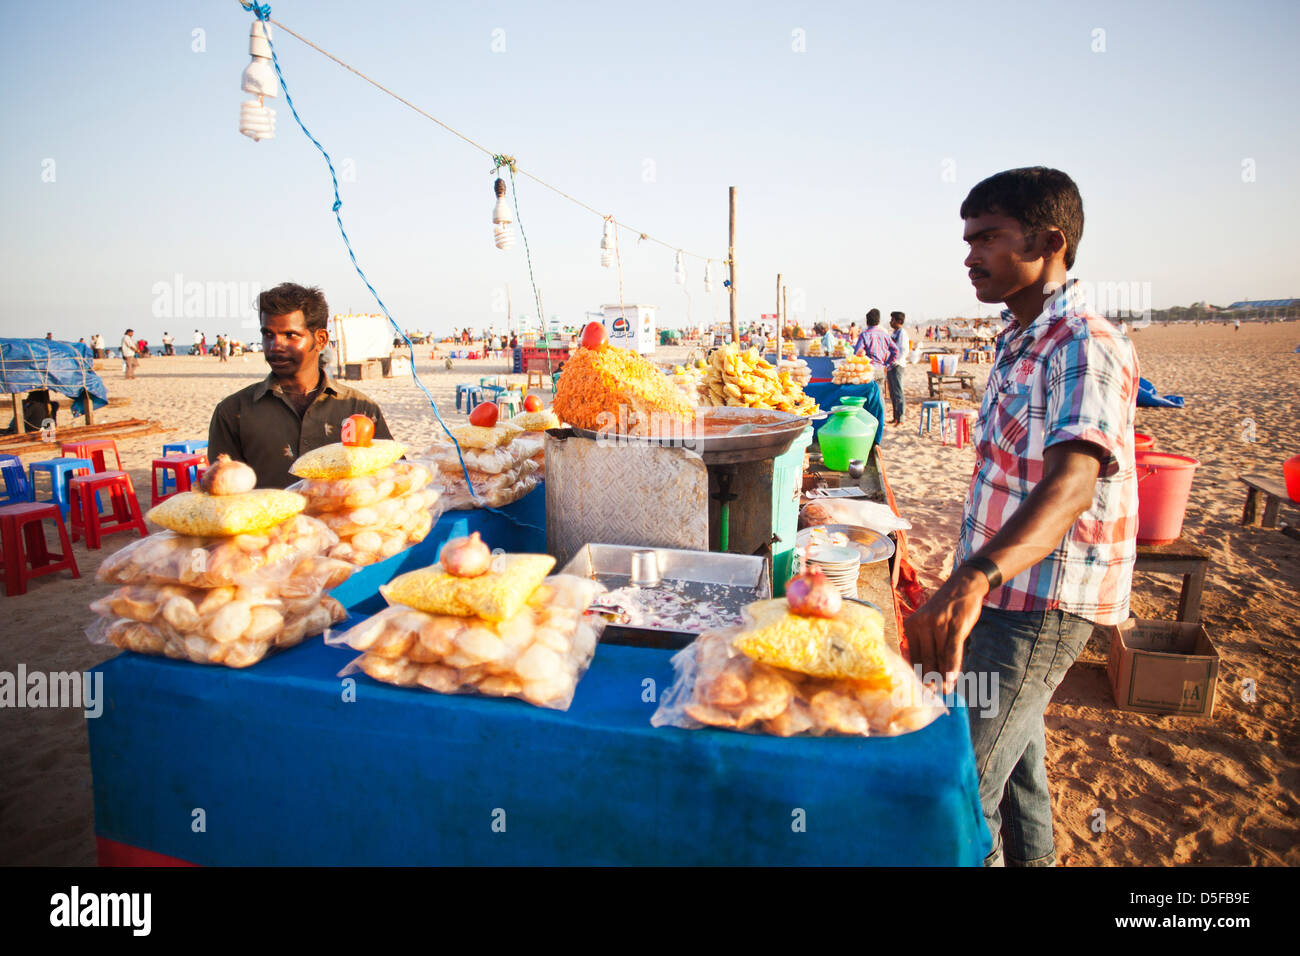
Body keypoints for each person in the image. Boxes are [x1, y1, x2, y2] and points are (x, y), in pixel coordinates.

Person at [905, 167, 1139, 867]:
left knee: (960, 785)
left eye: (988, 237)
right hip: (1001, 588)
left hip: (1039, 600)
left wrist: (975, 577)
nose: (970, 254)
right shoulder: (1019, 334)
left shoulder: (1082, 343)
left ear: (1050, 241)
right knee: (1019, 779)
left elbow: (1070, 486)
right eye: (968, 238)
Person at [208, 282, 393, 489]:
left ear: (321, 340)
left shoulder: (359, 409)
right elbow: (221, 493)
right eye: (268, 335)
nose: (275, 346)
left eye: (290, 335)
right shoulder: (234, 412)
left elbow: (393, 479)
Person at [886, 311, 909, 425]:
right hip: (891, 365)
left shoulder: (902, 333)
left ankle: (900, 417)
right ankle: (895, 416)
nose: (891, 322)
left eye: (893, 320)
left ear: (898, 321)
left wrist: (896, 360)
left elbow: (903, 350)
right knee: (893, 393)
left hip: (897, 365)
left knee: (898, 391)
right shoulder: (895, 333)